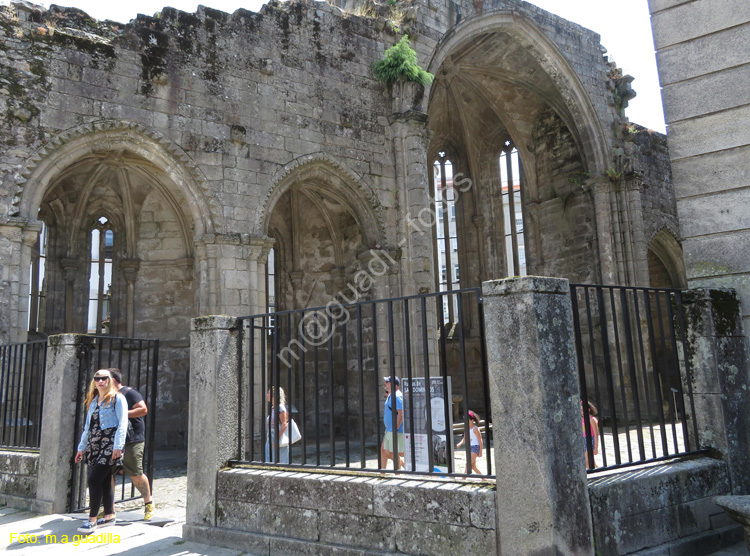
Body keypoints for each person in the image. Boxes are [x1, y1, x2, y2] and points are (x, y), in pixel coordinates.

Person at [74, 369, 128, 534]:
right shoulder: (93, 401)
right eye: (97, 378)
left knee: (93, 480)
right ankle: (109, 515)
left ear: (110, 380)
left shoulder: (118, 398)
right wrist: (81, 448)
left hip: (110, 445)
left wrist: (118, 446)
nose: (100, 381)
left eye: (104, 378)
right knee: (104, 480)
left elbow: (122, 423)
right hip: (94, 444)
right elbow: (87, 427)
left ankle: (92, 519)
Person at [110, 369, 154, 521]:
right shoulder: (107, 395)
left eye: (104, 378)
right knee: (107, 473)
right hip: (113, 438)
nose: (100, 382)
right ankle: (110, 509)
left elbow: (143, 409)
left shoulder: (129, 392)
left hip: (132, 437)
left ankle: (148, 503)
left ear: (114, 379)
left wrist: (122, 413)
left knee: (135, 472)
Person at [381, 376, 404, 470]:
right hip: (389, 429)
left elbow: (401, 413)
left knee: (390, 452)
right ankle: (382, 472)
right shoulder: (391, 395)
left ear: (392, 384)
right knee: (384, 451)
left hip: (394, 429)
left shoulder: (397, 396)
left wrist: (395, 428)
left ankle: (399, 473)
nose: (385, 383)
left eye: (387, 382)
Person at [265, 386, 289, 463]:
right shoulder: (273, 407)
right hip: (270, 436)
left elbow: (284, 424)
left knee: (279, 460)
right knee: (270, 459)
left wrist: (277, 438)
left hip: (276, 436)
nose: (267, 395)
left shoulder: (280, 407)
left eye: (268, 393)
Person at [456, 410, 483, 475]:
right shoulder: (467, 429)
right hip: (470, 447)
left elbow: (480, 440)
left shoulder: (475, 429)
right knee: (473, 466)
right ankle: (484, 479)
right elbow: (465, 439)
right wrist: (460, 443)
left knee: (468, 464)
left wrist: (480, 452)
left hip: (476, 447)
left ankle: (463, 479)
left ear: (472, 420)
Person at [582, 400, 599, 469]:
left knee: (587, 456)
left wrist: (596, 447)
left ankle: (589, 471)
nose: (581, 412)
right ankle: (595, 468)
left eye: (582, 410)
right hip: (584, 439)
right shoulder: (581, 419)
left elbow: (596, 433)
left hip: (590, 439)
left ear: (588, 410)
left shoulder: (592, 419)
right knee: (589, 458)